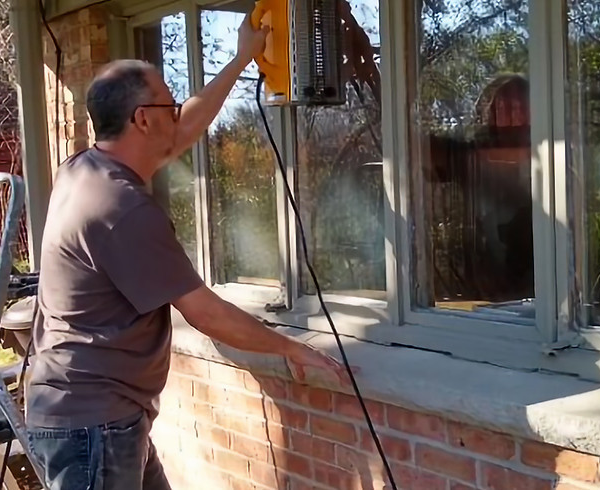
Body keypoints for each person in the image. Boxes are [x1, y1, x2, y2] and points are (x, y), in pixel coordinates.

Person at [23, 14, 353, 490]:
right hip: (93, 425)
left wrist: (243, 56)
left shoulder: (82, 169)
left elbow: (187, 128)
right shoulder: (123, 208)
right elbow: (205, 313)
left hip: (98, 413)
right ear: (141, 119)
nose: (177, 112)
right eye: (169, 103)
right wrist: (289, 347)